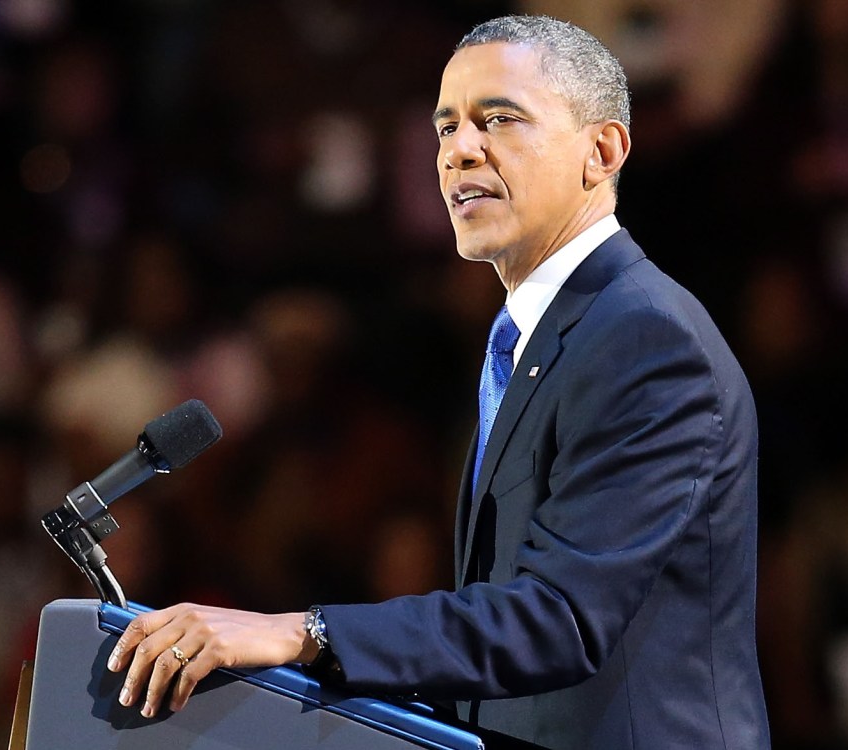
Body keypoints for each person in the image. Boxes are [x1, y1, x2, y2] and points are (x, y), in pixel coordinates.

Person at [106, 15, 771, 749]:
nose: (459, 151)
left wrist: (300, 633)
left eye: (500, 119)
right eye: (446, 126)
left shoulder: (646, 339)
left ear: (602, 150)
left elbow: (560, 618)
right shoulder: (537, 337)